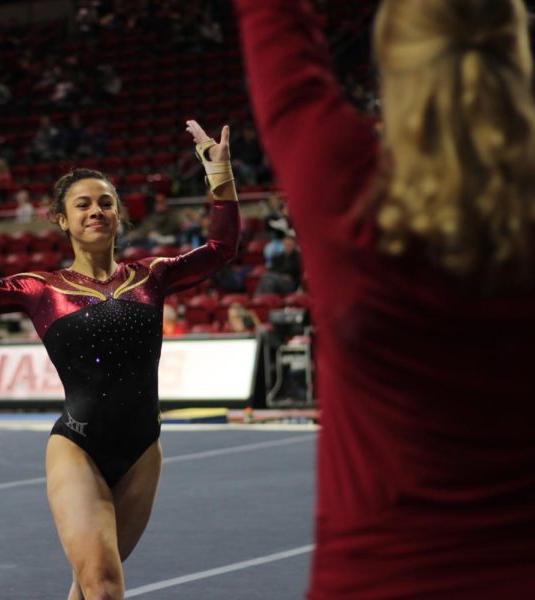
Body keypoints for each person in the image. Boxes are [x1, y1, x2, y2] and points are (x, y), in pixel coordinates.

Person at [234, 0, 535, 596]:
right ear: (518, 54)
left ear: (390, 62)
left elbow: (273, 22)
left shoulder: (343, 178)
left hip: (378, 578)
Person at [0, 119, 240, 600]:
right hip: (78, 448)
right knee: (104, 585)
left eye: (106, 202)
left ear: (119, 216)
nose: (97, 210)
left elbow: (221, 247)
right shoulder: (40, 288)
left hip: (143, 451)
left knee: (89, 586)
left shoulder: (151, 276)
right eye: (83, 204)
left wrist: (220, 174)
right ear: (62, 220)